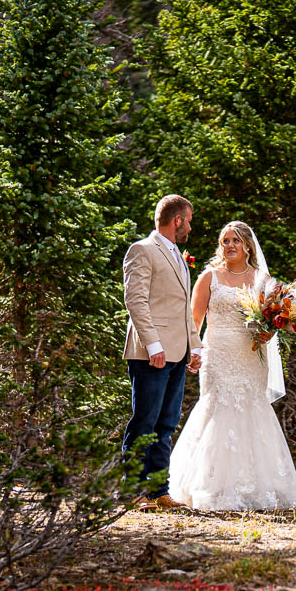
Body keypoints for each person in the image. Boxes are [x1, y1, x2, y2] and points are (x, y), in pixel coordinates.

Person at [168, 221, 296, 511]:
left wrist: (269, 331)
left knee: (251, 407)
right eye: (225, 241)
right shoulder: (209, 277)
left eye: (235, 240)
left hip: (251, 355)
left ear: (247, 245)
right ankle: (210, 484)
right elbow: (194, 321)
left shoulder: (263, 279)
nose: (230, 246)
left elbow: (275, 320)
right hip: (218, 354)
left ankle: (258, 485)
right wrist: (194, 351)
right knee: (216, 407)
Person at [121, 194, 202, 509]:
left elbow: (182, 311)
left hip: (178, 354)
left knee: (166, 424)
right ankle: (133, 492)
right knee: (145, 421)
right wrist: (152, 344)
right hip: (151, 353)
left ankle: (158, 491)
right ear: (177, 220)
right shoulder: (142, 250)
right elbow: (136, 300)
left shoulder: (178, 256)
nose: (190, 228)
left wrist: (194, 347)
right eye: (189, 221)